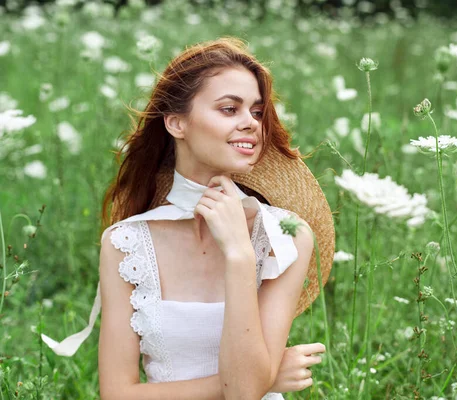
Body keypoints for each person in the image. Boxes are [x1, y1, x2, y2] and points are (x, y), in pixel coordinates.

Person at [41, 37, 335, 399]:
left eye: (257, 112)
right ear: (177, 123)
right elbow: (116, 395)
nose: (252, 124)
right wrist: (267, 378)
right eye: (230, 109)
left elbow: (244, 395)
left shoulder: (286, 236)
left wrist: (240, 256)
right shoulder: (125, 242)